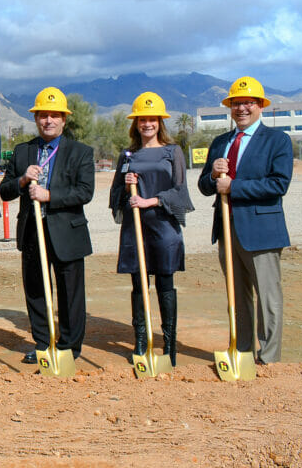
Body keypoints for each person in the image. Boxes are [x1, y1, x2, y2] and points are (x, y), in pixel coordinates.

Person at [198, 76, 292, 364]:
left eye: (248, 103)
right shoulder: (220, 143)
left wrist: (234, 187)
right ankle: (242, 353)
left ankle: (269, 359)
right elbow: (203, 187)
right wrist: (213, 175)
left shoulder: (277, 140)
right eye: (236, 103)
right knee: (237, 298)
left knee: (267, 299)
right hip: (227, 229)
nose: (241, 108)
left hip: (262, 230)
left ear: (260, 106)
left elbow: (279, 184)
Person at [0, 87, 95, 364]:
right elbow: (5, 191)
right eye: (42, 115)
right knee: (37, 291)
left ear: (64, 119)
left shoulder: (81, 152)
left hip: (68, 233)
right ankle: (42, 344)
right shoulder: (23, 151)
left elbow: (85, 192)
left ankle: (68, 347)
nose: (48, 120)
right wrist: (23, 181)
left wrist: (50, 196)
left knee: (70, 293)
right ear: (36, 119)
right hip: (31, 232)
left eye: (54, 115)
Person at [108, 92, 193, 365]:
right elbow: (116, 196)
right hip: (136, 227)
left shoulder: (173, 152)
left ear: (160, 122)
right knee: (138, 284)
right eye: (142, 120)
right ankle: (141, 341)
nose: (147, 124)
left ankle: (169, 345)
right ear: (135, 123)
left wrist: (151, 200)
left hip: (164, 225)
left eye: (152, 119)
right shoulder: (128, 154)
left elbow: (180, 192)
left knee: (165, 283)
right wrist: (126, 182)